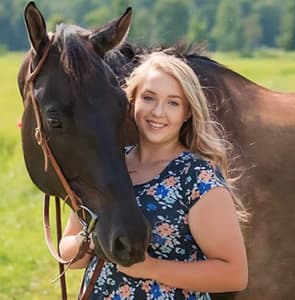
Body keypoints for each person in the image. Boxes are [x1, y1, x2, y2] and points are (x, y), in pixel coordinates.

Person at [59, 52, 248, 299]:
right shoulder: (108, 166)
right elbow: (68, 255)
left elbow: (234, 274)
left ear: (187, 112)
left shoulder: (196, 178)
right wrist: (93, 239)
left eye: (173, 102)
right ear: (132, 101)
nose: (158, 112)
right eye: (148, 98)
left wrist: (152, 268)